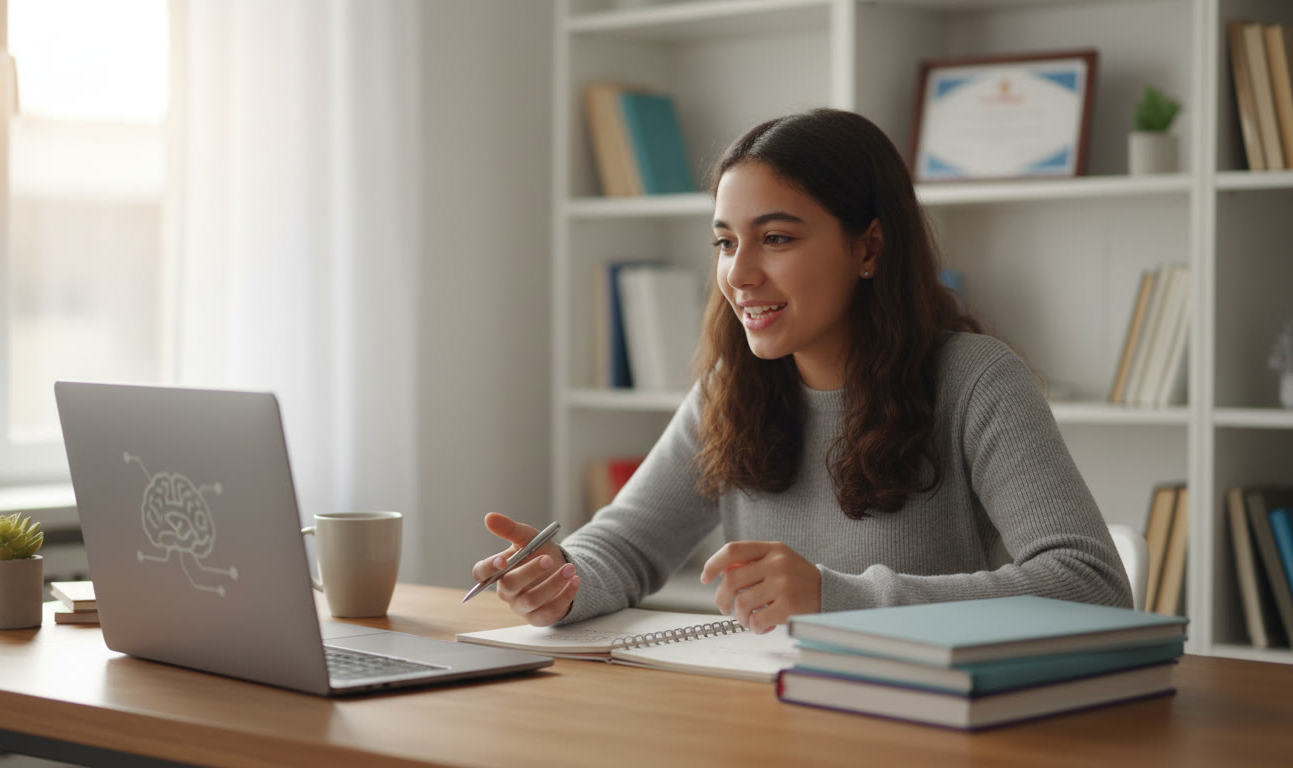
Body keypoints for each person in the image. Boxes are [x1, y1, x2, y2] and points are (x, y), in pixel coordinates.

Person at [471, 108, 1132, 633]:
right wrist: (560, 579)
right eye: (726, 242)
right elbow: (622, 548)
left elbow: (1092, 586)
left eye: (776, 238)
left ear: (867, 246)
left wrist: (836, 597)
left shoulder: (974, 379)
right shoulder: (729, 392)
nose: (739, 273)